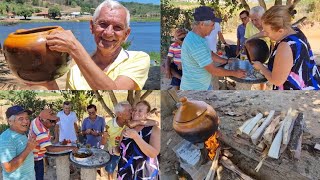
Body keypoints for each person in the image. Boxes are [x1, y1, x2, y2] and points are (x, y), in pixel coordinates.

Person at [41, 0, 150, 90]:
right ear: (92, 27)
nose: (108, 33)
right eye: (103, 24)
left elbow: (115, 92)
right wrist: (49, 84)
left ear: (126, 34)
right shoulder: (75, 72)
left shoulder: (139, 59)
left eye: (118, 27)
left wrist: (75, 48)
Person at [252, 5, 320, 90]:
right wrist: (252, 38)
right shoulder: (294, 30)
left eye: (267, 32)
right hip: (310, 82)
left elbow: (277, 81)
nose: (265, 33)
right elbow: (265, 33)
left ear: (280, 31)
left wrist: (261, 67)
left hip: (296, 93)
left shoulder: (285, 47)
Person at [180, 6, 246, 90]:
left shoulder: (197, 36)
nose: (214, 28)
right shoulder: (196, 44)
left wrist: (226, 61)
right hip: (195, 89)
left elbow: (209, 53)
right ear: (202, 24)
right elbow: (213, 70)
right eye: (212, 25)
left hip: (203, 85)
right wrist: (235, 73)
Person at [102, 101, 159, 180]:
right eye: (135, 110)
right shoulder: (126, 129)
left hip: (144, 173)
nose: (135, 112)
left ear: (147, 114)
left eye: (140, 110)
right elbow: (120, 150)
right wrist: (114, 149)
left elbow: (153, 154)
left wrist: (136, 137)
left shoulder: (153, 129)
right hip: (125, 172)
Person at [28, 109, 77, 180]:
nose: (53, 124)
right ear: (43, 120)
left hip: (33, 152)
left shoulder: (36, 120)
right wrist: (71, 148)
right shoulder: (41, 132)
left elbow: (41, 138)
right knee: (38, 176)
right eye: (51, 121)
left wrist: (49, 139)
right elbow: (50, 149)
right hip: (36, 157)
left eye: (54, 121)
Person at [0, 105, 37, 180]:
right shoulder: (6, 139)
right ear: (10, 121)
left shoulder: (21, 133)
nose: (26, 121)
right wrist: (28, 149)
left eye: (27, 118)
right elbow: (8, 168)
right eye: (21, 119)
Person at [244, 6, 271, 90]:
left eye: (256, 19)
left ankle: (262, 91)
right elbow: (247, 42)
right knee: (252, 76)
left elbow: (266, 33)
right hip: (254, 57)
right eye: (252, 20)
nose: (254, 22)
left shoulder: (269, 24)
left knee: (264, 79)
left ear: (263, 17)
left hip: (268, 58)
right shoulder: (249, 25)